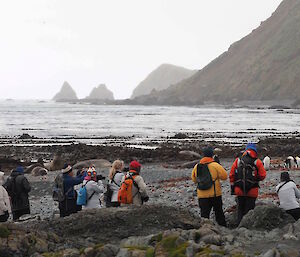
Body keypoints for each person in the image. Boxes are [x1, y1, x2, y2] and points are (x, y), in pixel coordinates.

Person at [229, 143, 266, 224]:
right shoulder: (257, 161)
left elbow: (231, 174)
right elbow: (263, 175)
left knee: (240, 210)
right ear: (255, 151)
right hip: (252, 190)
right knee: (249, 211)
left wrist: (233, 186)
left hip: (239, 189)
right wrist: (256, 179)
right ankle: (247, 228)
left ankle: (238, 226)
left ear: (246, 150)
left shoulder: (238, 160)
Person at [191, 147, 228, 227]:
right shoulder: (215, 165)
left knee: (204, 215)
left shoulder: (197, 166)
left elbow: (194, 179)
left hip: (202, 195)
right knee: (219, 213)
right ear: (211, 155)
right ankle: (223, 228)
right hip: (215, 194)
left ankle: (204, 230)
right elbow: (224, 176)